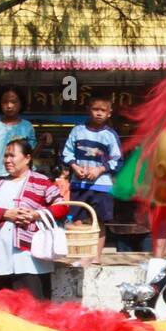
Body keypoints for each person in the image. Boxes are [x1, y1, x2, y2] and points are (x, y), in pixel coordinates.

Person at [0, 138, 67, 300]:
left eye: (12, 156)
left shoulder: (41, 182)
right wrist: (6, 214)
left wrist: (35, 214)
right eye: (5, 156)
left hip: (31, 261)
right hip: (2, 260)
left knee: (36, 309)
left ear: (27, 158)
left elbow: (61, 206)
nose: (7, 160)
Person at [62, 95, 123, 258]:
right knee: (77, 220)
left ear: (109, 113)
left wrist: (99, 170)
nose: (99, 113)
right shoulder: (77, 130)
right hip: (78, 185)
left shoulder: (110, 135)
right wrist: (74, 167)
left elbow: (117, 160)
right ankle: (78, 255)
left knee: (99, 221)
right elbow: (66, 153)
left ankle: (96, 256)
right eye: (95, 109)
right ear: (88, 110)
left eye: (103, 110)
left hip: (101, 186)